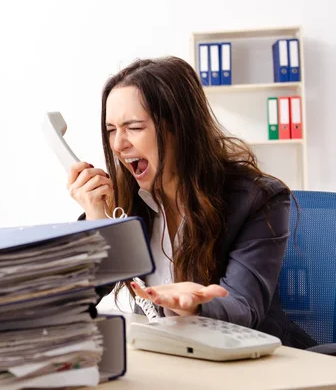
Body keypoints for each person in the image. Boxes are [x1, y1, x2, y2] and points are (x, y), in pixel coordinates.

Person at [66, 56, 317, 349]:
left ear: (179, 128)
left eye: (133, 127)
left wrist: (194, 306)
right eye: (111, 129)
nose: (118, 144)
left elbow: (245, 307)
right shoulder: (119, 200)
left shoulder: (257, 199)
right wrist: (97, 223)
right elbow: (71, 303)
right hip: (170, 359)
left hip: (257, 362)